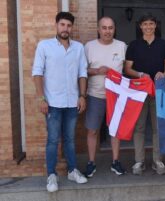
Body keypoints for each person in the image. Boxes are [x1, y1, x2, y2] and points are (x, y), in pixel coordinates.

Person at [32, 12, 88, 193]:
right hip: (52, 103)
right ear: (56, 25)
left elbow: (82, 73)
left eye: (69, 25)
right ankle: (51, 175)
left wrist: (82, 96)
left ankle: (72, 171)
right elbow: (37, 73)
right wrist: (41, 98)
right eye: (62, 25)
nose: (65, 28)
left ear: (72, 28)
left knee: (70, 140)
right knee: (53, 140)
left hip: (72, 102)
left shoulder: (78, 48)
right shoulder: (44, 46)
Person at [124, 13, 165, 175]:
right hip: (139, 92)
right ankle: (139, 161)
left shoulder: (164, 44)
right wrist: (139, 74)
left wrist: (164, 74)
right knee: (139, 127)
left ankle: (158, 161)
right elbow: (127, 68)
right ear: (140, 26)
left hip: (158, 91)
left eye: (151, 24)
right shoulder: (133, 45)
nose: (148, 27)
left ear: (155, 25)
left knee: (158, 127)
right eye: (145, 24)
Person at [84, 16, 127, 177]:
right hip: (95, 95)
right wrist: (96, 71)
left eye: (110, 28)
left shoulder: (122, 46)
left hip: (116, 95)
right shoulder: (89, 47)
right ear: (98, 29)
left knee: (115, 130)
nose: (107, 31)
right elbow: (82, 70)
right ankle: (91, 162)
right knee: (92, 130)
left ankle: (115, 162)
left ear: (114, 29)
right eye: (104, 27)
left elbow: (127, 69)